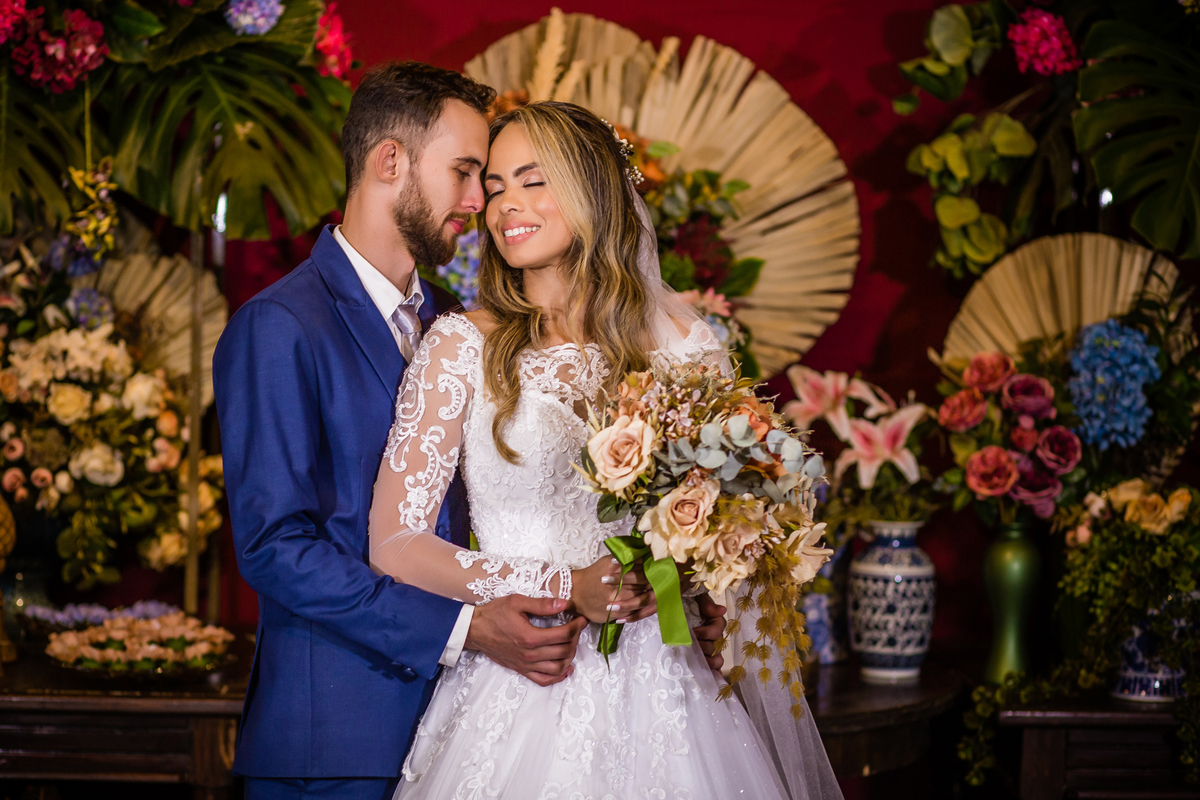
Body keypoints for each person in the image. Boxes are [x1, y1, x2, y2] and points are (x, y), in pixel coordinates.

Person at [214, 64, 695, 800]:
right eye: (469, 174)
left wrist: (671, 591)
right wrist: (465, 629)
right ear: (390, 161)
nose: (480, 204)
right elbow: (275, 547)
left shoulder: (459, 322)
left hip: (481, 708)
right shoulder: (279, 324)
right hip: (336, 735)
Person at [367, 101, 843, 799]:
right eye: (495, 187)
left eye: (533, 181)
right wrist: (566, 586)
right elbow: (395, 543)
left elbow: (734, 518)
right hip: (527, 675)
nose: (505, 205)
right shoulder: (460, 346)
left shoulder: (683, 343)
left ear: (591, 189)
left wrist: (709, 593)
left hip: (671, 684)